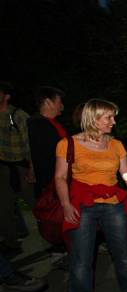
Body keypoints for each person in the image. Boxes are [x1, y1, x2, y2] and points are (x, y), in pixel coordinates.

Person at [54, 98, 127, 292]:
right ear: (94, 119)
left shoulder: (116, 145)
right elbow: (59, 177)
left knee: (121, 253)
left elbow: (126, 174)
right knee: (82, 258)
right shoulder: (67, 144)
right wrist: (66, 204)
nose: (113, 121)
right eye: (109, 117)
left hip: (113, 203)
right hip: (83, 204)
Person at [0, 81, 32, 253]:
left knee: (36, 205)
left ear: (6, 96)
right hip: (3, 168)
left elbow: (29, 145)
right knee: (4, 209)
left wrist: (32, 169)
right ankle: (12, 243)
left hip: (21, 168)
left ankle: (55, 239)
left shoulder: (18, 115)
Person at [28, 86, 67, 198]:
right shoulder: (38, 124)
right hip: (49, 183)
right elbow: (41, 156)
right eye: (59, 102)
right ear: (48, 102)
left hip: (57, 179)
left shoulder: (52, 123)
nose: (62, 106)